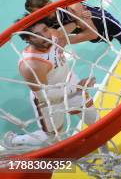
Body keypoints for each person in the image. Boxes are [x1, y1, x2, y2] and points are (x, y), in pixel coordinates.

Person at [3, 19, 98, 149]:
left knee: (94, 120)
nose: (46, 36)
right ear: (28, 39)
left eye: (45, 30)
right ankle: (14, 140)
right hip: (49, 100)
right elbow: (44, 96)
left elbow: (63, 31)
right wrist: (76, 87)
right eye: (38, 35)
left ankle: (107, 154)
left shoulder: (52, 34)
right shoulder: (31, 64)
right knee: (52, 136)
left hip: (71, 83)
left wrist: (77, 20)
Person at [25, 0, 121, 47]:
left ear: (51, 3)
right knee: (102, 40)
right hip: (84, 29)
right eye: (38, 14)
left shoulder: (71, 8)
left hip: (102, 22)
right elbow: (57, 35)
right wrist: (74, 24)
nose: (43, 15)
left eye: (46, 10)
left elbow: (91, 33)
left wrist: (64, 39)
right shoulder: (42, 22)